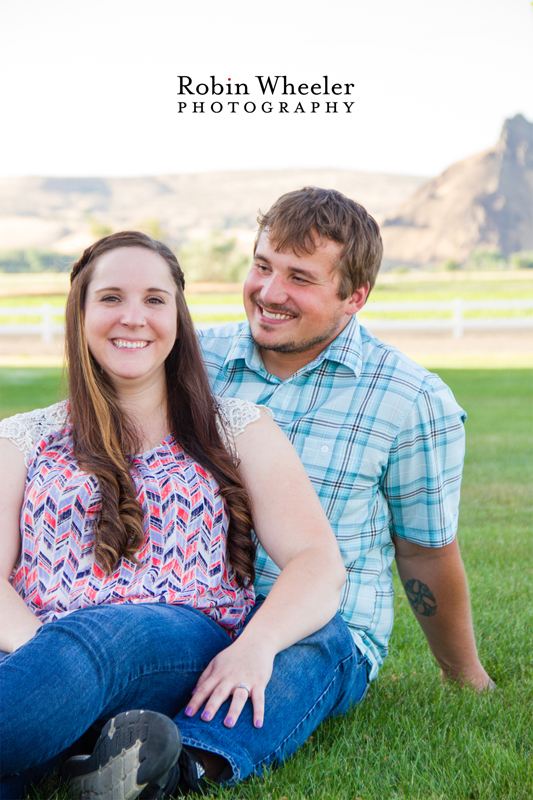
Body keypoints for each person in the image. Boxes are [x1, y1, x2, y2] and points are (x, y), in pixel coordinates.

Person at [0, 231, 346, 800]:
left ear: (178, 317)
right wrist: (45, 658)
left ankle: (100, 732)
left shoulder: (238, 429)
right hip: (40, 650)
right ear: (80, 314)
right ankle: (98, 753)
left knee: (118, 631)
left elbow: (316, 561)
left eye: (155, 300)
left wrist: (256, 647)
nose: (133, 317)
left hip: (176, 643)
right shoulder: (26, 438)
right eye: (110, 298)